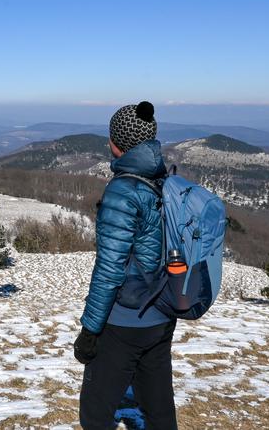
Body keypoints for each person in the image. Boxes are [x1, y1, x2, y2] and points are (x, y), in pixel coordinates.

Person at [74, 101, 178, 430]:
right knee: (159, 408)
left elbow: (109, 269)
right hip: (162, 313)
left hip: (124, 322)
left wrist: (90, 330)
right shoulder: (165, 180)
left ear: (117, 143)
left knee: (95, 413)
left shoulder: (123, 191)